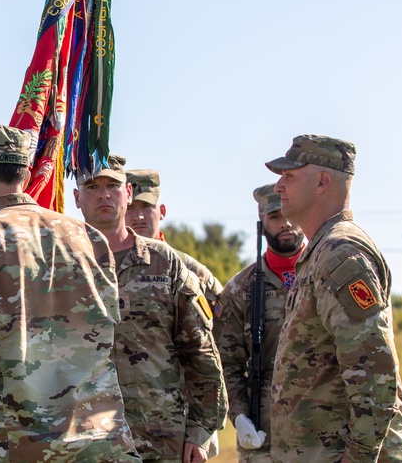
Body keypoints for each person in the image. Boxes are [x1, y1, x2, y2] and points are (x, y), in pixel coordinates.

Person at [0, 125, 141, 461]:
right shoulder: (89, 238)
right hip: (101, 443)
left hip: (15, 445)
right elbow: (109, 335)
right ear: (26, 174)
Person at [265, 135, 402, 462]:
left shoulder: (340, 254)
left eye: (289, 176)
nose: (278, 186)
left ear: (322, 182)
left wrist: (359, 456)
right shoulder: (320, 252)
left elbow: (374, 373)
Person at [76, 155, 228, 463]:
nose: (104, 193)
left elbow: (200, 353)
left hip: (161, 440)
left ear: (128, 193)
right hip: (86, 441)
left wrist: (201, 432)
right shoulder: (63, 265)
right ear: (77, 197)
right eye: (92, 186)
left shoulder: (165, 262)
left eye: (112, 185)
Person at [213, 184, 306, 463]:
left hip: (324, 425)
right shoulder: (240, 290)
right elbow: (226, 364)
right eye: (275, 216)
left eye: (291, 214)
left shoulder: (323, 275)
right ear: (262, 224)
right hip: (265, 431)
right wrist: (239, 415)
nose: (286, 223)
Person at [125, 169, 223, 303]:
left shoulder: (186, 267)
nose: (139, 216)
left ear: (162, 211)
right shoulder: (106, 263)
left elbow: (225, 314)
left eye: (146, 206)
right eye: (129, 208)